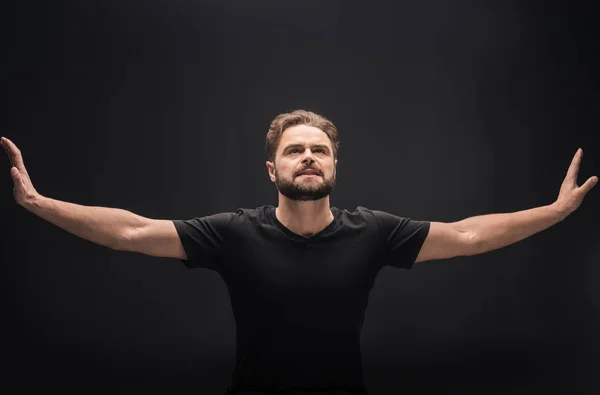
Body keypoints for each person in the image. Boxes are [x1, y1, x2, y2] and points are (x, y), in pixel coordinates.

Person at [2, 110, 597, 395]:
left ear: (335, 166)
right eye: (295, 150)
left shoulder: (375, 232)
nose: (308, 156)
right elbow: (132, 230)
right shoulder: (233, 233)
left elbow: (468, 234)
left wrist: (556, 211)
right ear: (272, 168)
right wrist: (38, 203)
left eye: (319, 149)